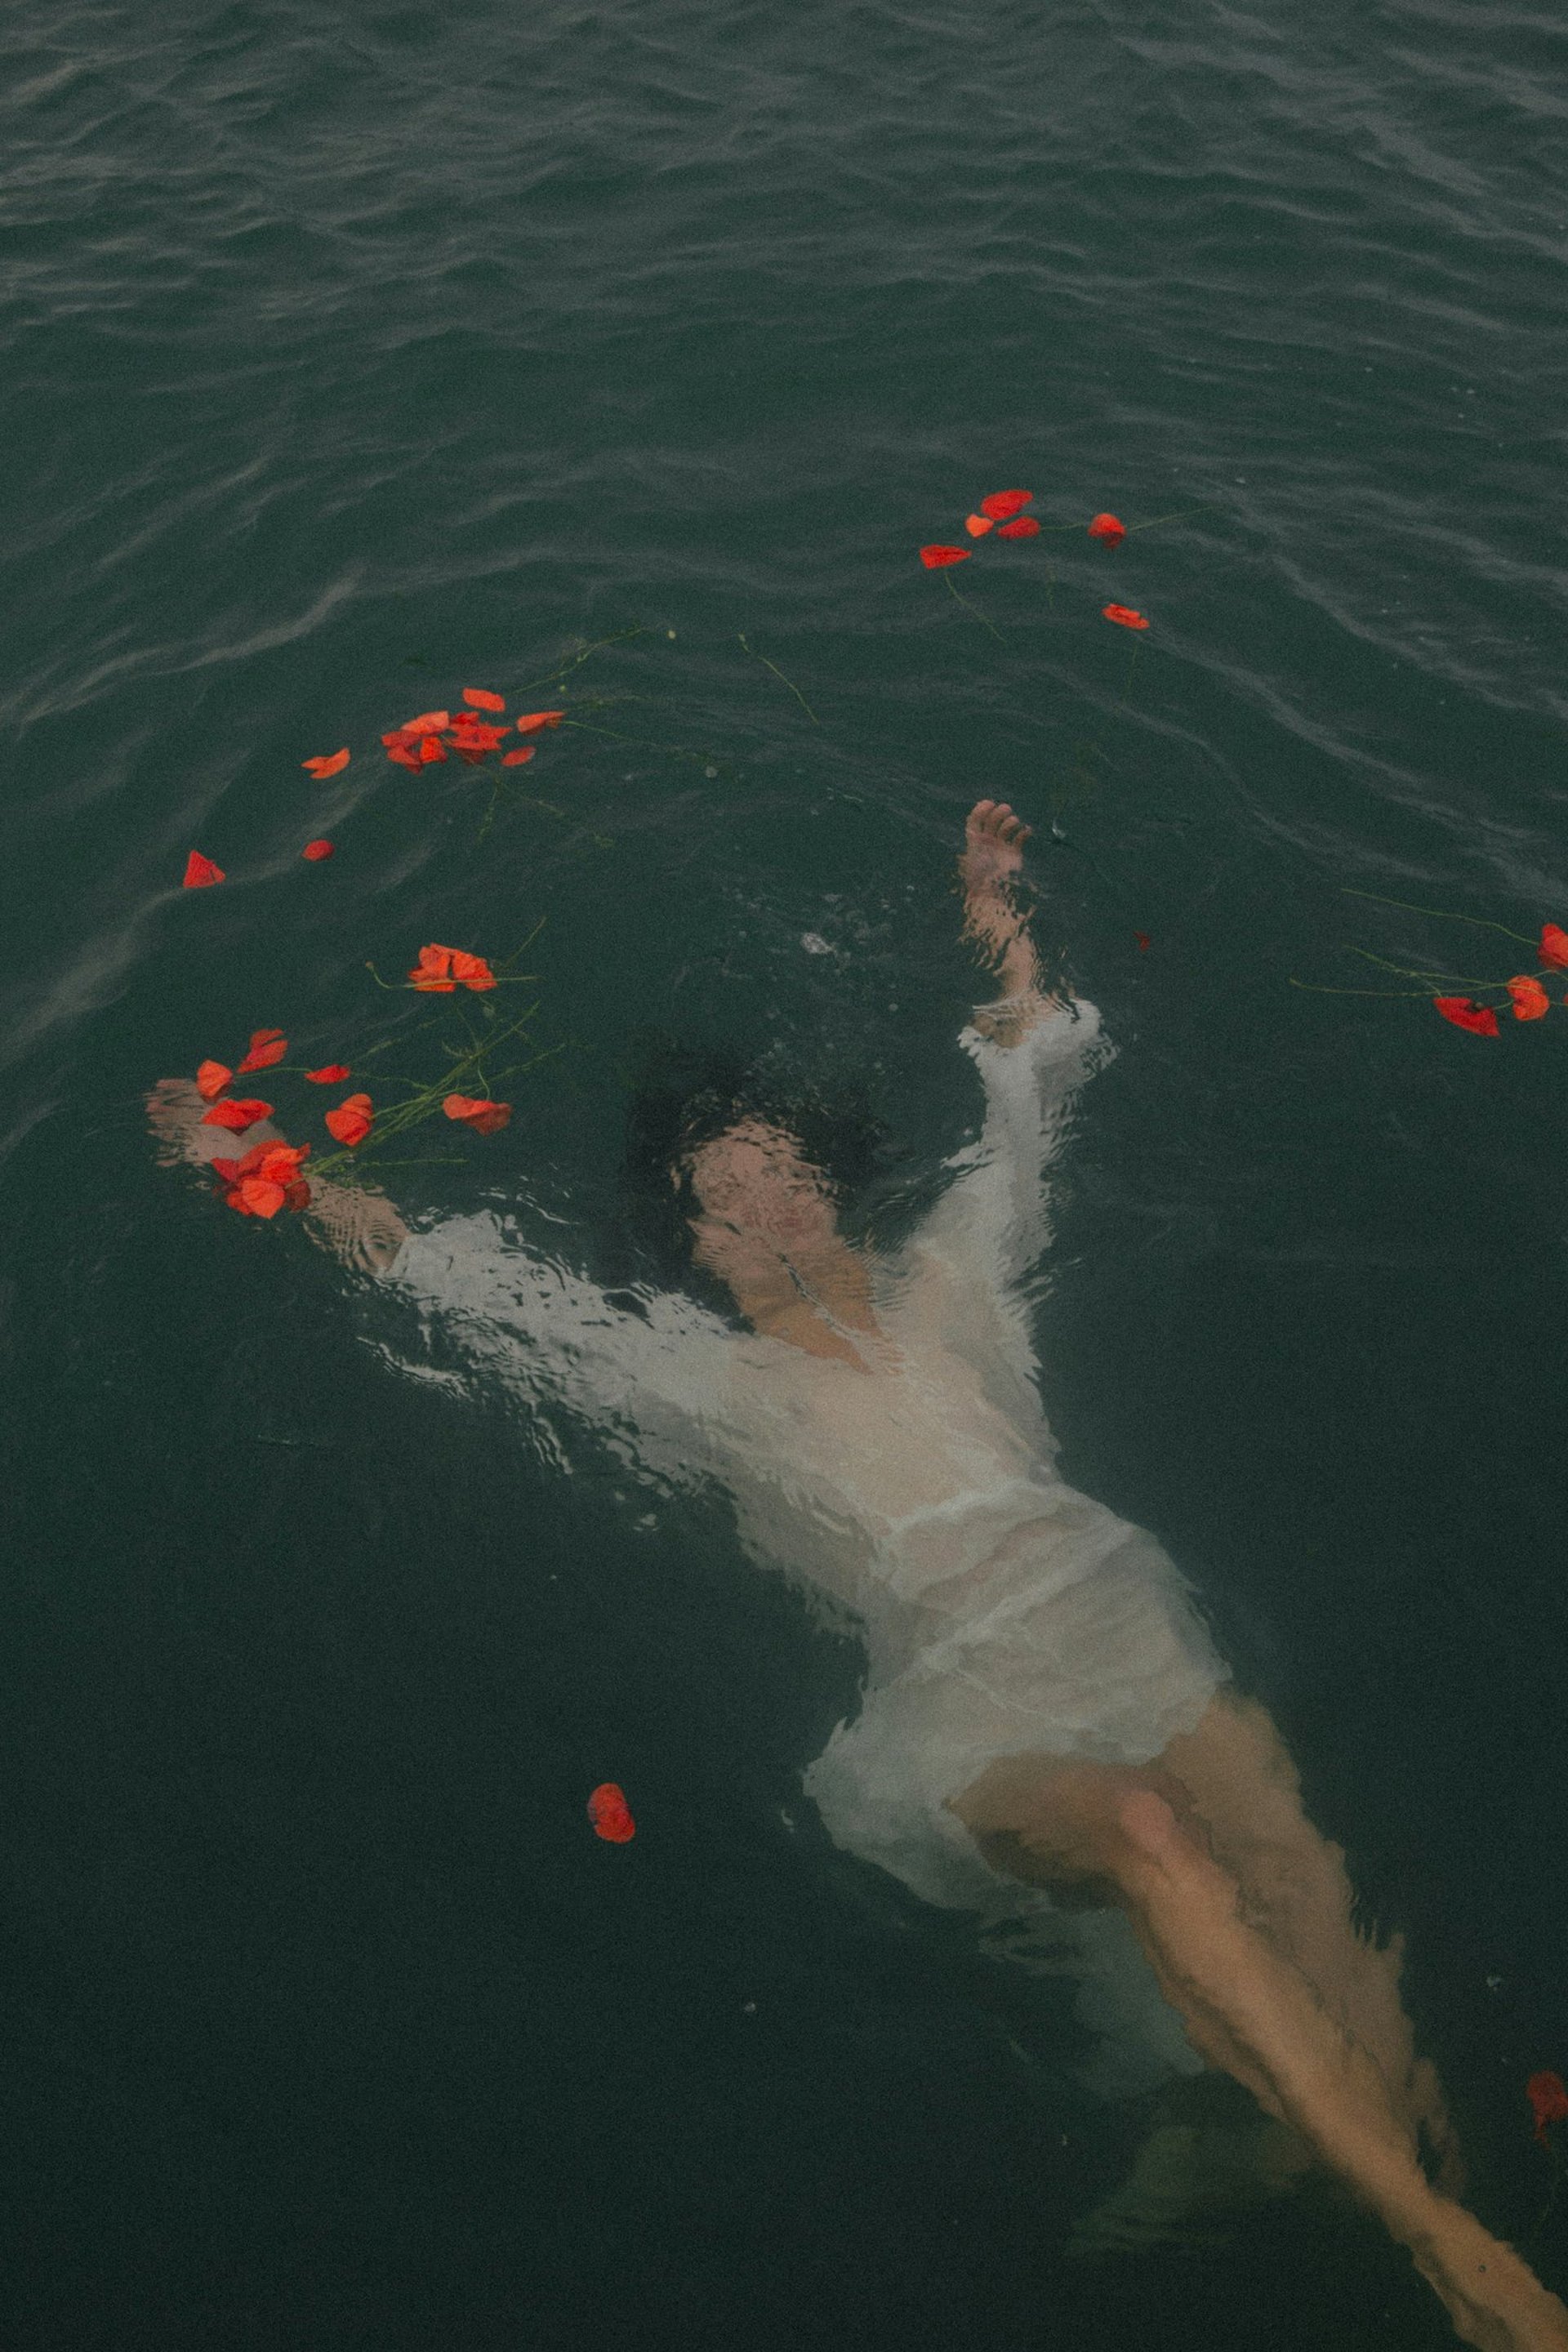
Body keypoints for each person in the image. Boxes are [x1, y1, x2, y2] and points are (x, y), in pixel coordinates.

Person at [150, 802, 1568, 2352]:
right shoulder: (682, 1380)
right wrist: (247, 1160)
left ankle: (1304, 2147)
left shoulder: (957, 1270)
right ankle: (1448, 2246)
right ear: (691, 1246)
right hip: (965, 1687)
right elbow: (434, 1265)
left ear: (825, 1179)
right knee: (1154, 1835)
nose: (765, 1200)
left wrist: (994, 906)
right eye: (724, 1194)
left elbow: (1028, 1077)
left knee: (1299, 1869)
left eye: (778, 1169)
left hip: (1114, 1603)